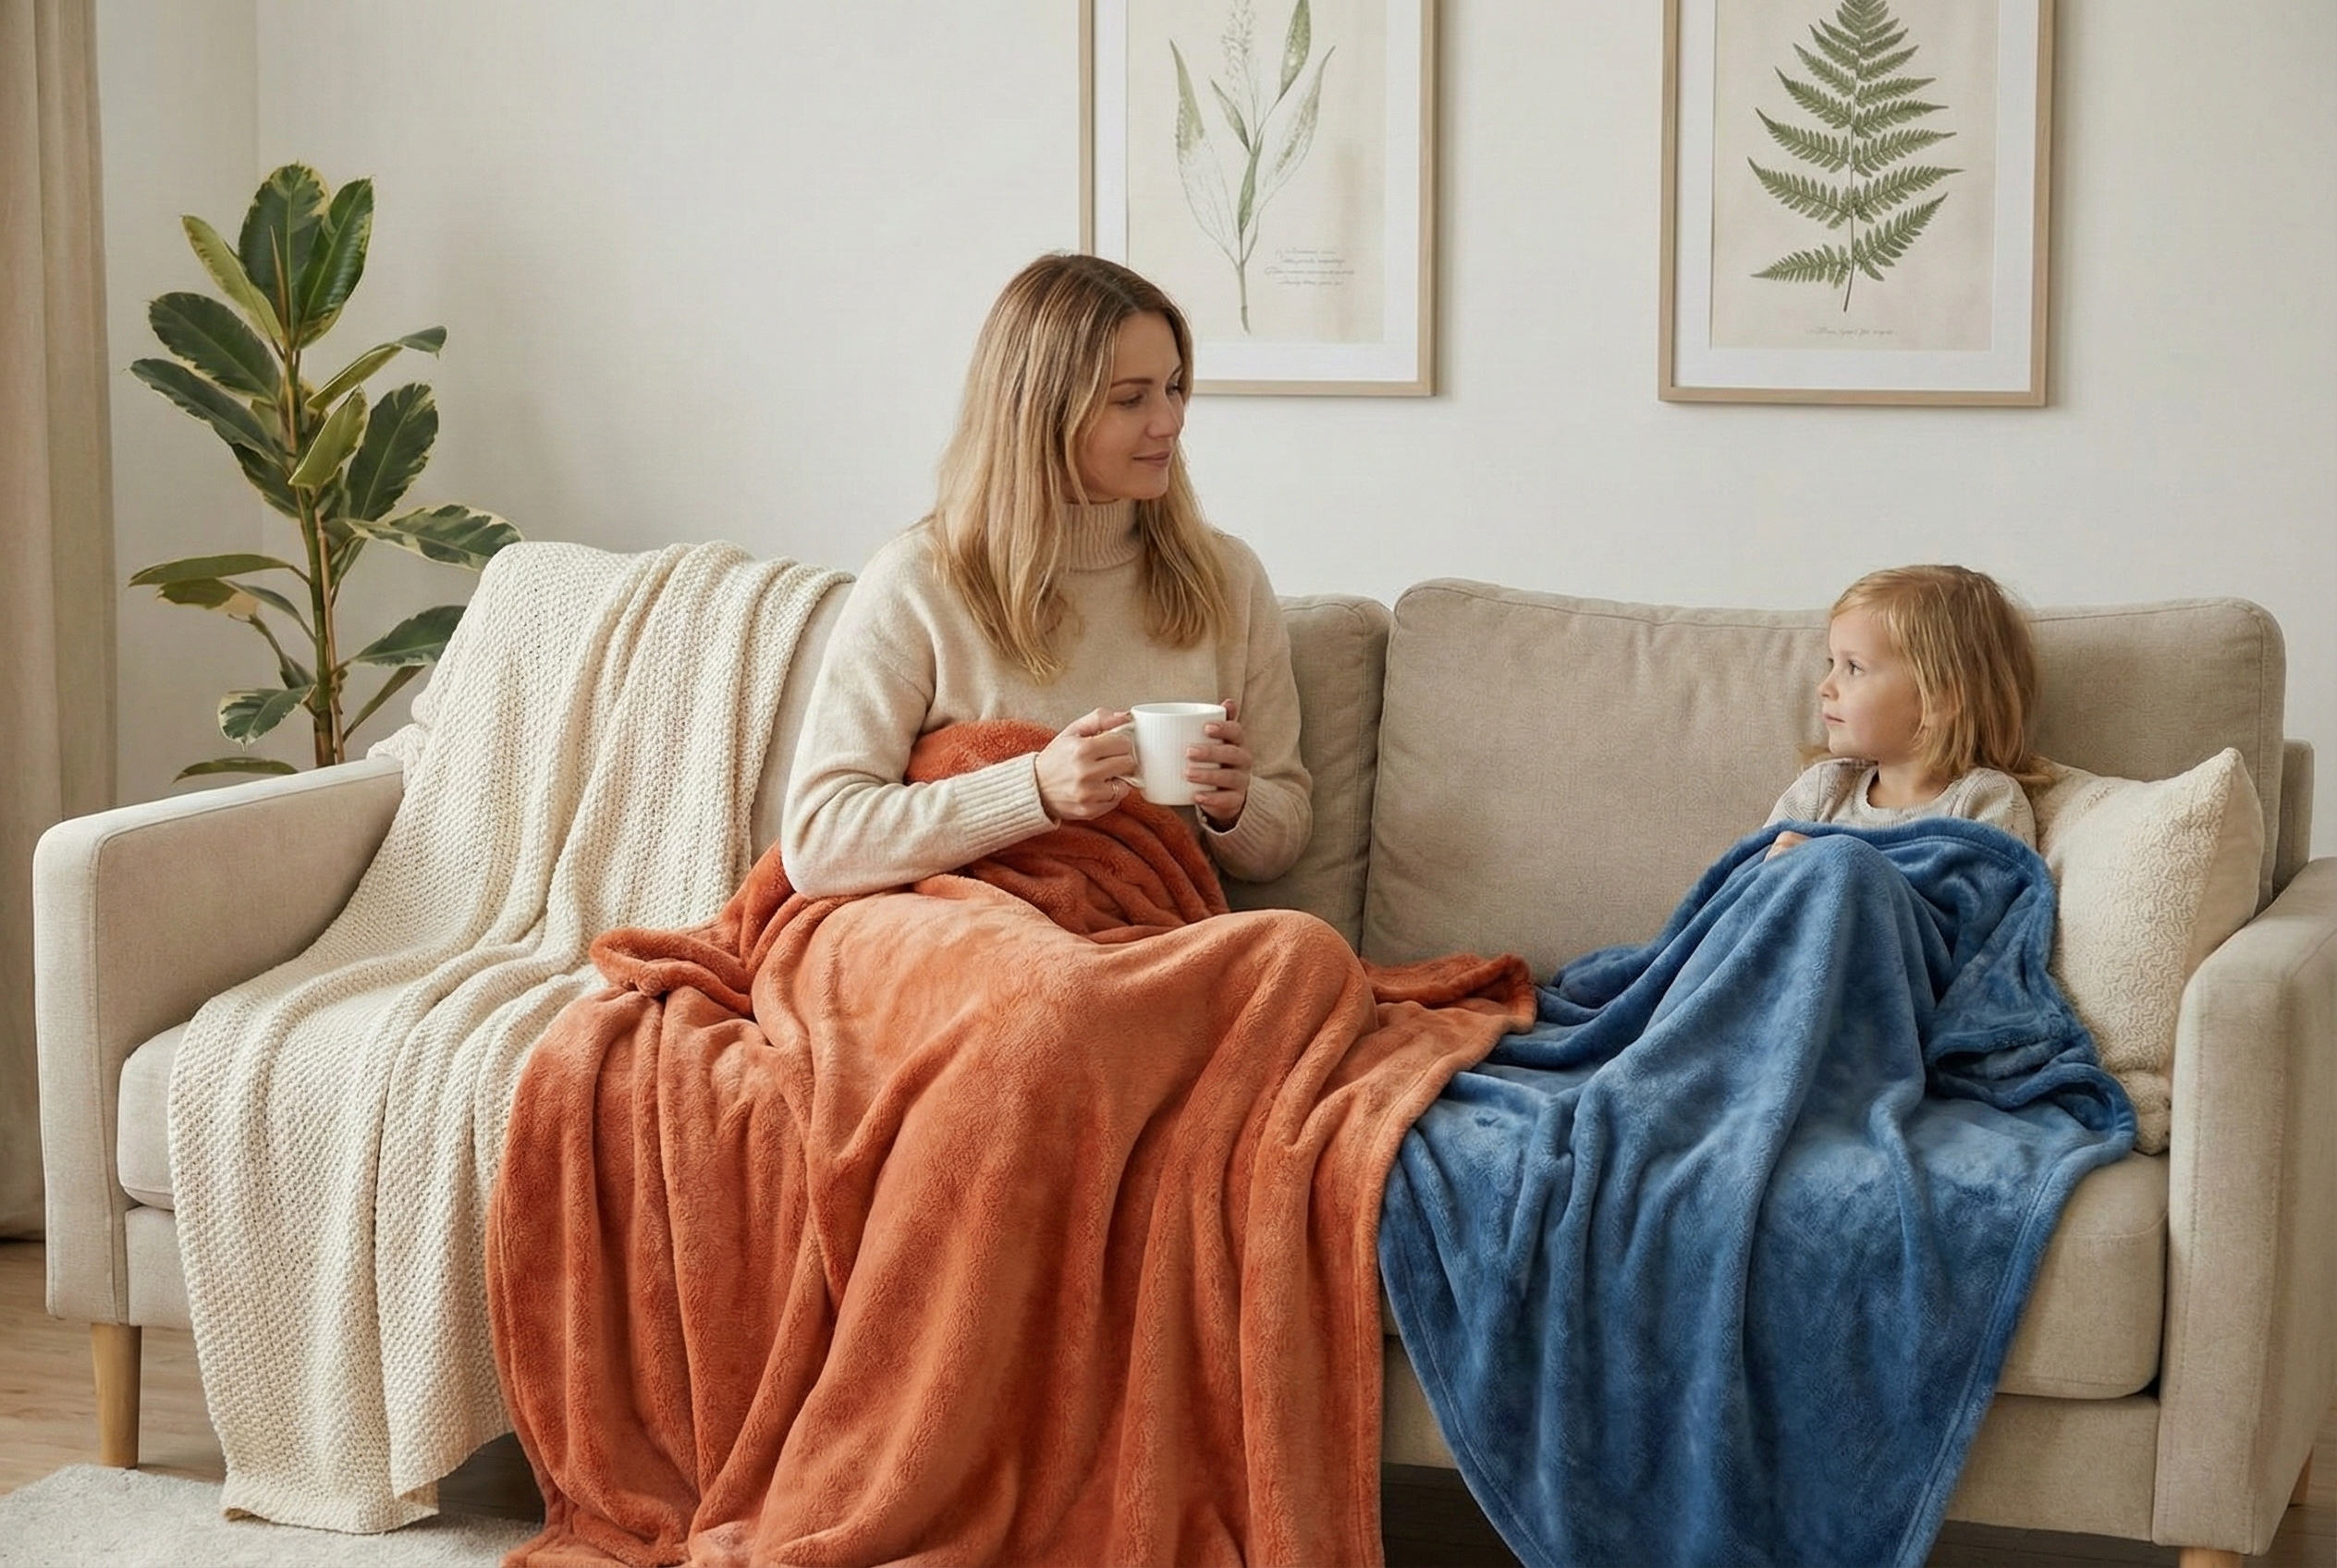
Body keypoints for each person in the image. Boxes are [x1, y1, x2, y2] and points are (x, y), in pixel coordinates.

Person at [782, 252, 1312, 897]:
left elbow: (1281, 838)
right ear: (1041, 412)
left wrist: (1237, 807)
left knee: (1303, 951)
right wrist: (1033, 790)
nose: (1171, 421)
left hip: (1142, 940)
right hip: (967, 939)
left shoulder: (1226, 578)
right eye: (1130, 398)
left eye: (1174, 387)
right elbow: (817, 844)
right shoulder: (919, 581)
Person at [1767, 564, 2049, 857]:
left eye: (1854, 667)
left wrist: (1841, 865)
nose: (1825, 687)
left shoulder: (1984, 799)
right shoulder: (1822, 789)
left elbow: (1987, 895)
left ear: (1938, 701)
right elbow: (1746, 885)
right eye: (1831, 664)